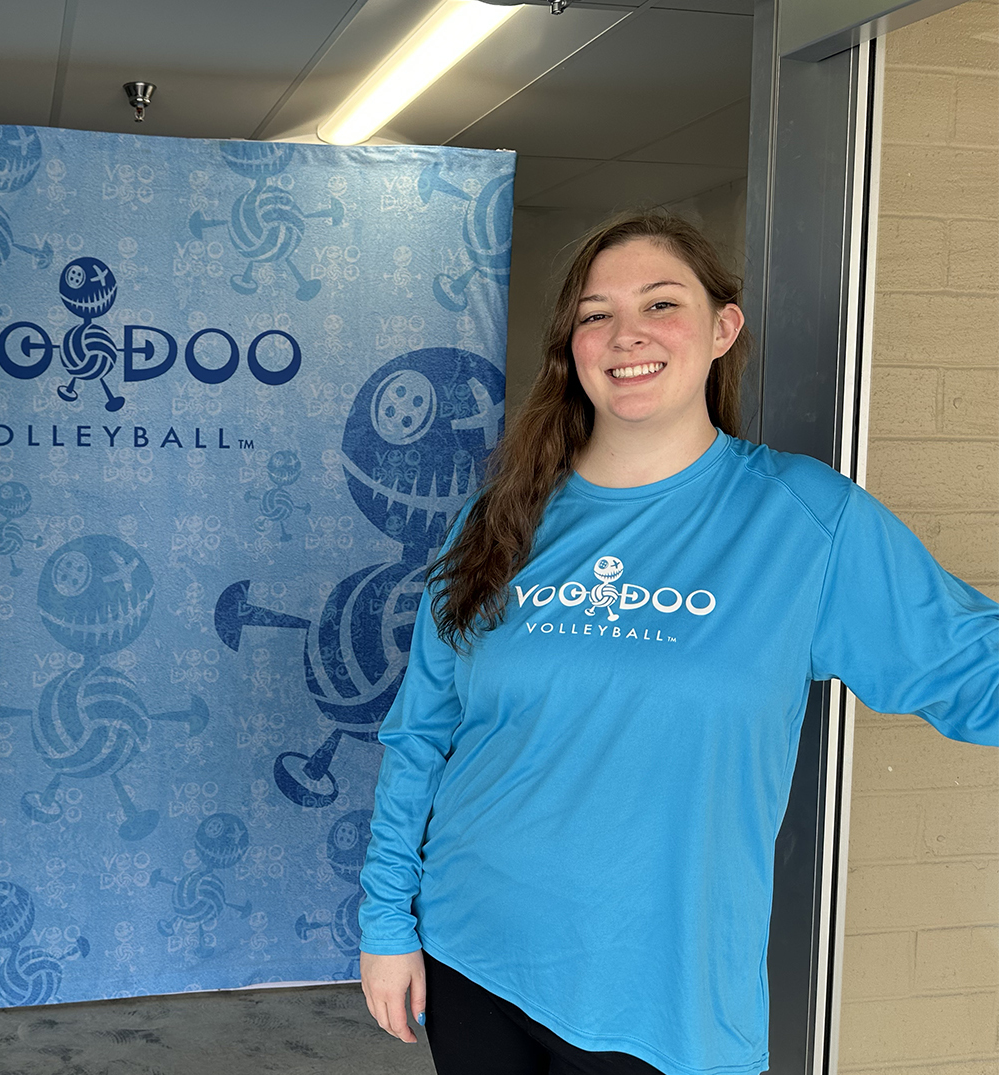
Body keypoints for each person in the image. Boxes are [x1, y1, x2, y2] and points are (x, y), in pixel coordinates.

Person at [356, 212, 996, 1075]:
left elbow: (968, 667)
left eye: (662, 303)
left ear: (723, 328)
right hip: (475, 949)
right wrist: (386, 920)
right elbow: (420, 731)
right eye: (595, 313)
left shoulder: (804, 521)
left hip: (668, 996)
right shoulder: (499, 520)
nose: (627, 335)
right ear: (571, 345)